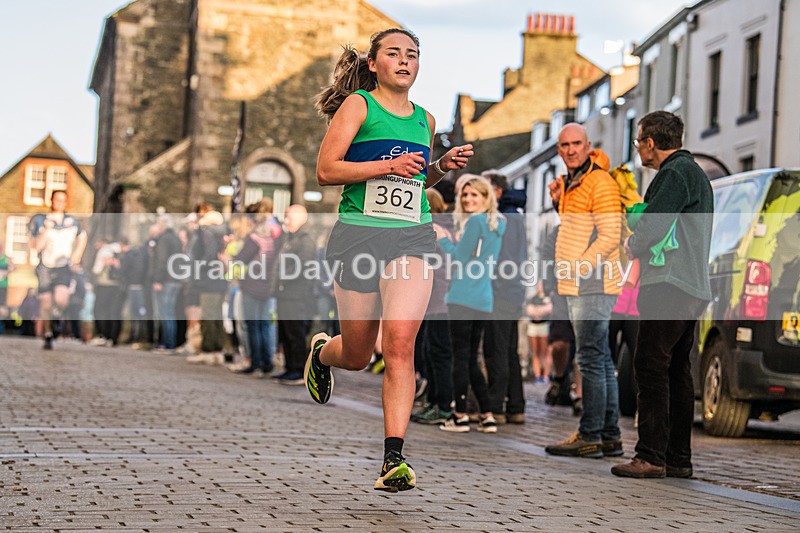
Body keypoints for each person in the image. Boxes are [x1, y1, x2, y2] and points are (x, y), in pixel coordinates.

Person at [307, 28, 473, 492]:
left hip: (412, 238)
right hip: (359, 237)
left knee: (400, 342)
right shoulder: (359, 106)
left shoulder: (426, 118)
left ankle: (393, 459)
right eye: (394, 54)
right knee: (358, 355)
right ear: (375, 63)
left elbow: (417, 186)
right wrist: (387, 165)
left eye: (412, 55)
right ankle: (323, 352)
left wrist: (442, 167)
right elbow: (326, 171)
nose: (404, 61)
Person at [612, 111, 713, 479]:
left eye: (639, 141)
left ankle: (651, 456)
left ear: (651, 143)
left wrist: (633, 242)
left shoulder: (673, 174)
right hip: (691, 284)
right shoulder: (694, 173)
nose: (638, 148)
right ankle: (678, 459)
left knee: (650, 366)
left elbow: (655, 225)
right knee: (676, 372)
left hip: (668, 282)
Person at [544, 123, 623, 459]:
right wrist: (561, 203)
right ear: (559, 150)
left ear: (588, 146)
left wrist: (579, 268)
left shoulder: (600, 181)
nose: (571, 150)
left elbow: (609, 235)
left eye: (577, 143)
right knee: (600, 357)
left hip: (593, 281)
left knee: (590, 358)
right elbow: (578, 229)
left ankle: (590, 434)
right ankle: (609, 435)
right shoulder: (573, 183)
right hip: (581, 281)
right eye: (565, 145)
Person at [436, 174, 505, 434]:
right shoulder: (498, 223)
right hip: (484, 298)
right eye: (465, 195)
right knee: (472, 359)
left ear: (486, 198)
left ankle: (460, 415)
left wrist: (442, 238)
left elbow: (459, 257)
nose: (467, 199)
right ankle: (487, 415)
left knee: (460, 357)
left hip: (462, 296)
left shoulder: (475, 222)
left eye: (474, 194)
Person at [482, 169, 527, 424]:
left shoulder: (506, 218)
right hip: (513, 291)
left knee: (496, 348)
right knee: (509, 349)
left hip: (501, 292)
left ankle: (497, 407)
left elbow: (505, 260)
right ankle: (515, 406)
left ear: (497, 191)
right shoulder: (514, 215)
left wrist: (493, 285)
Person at [28, 190, 88, 350]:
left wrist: (77, 255)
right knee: (45, 304)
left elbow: (83, 237)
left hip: (63, 266)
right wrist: (46, 230)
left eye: (63, 200)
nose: (59, 203)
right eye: (57, 199)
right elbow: (36, 247)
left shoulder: (72, 221)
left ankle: (55, 319)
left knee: (62, 300)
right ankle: (48, 335)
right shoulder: (39, 220)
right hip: (45, 267)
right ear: (52, 201)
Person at [272, 205, 316, 384]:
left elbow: (303, 265)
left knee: (295, 333)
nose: (286, 221)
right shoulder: (291, 238)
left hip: (296, 294)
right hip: (285, 293)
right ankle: (289, 367)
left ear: (300, 218)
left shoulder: (305, 240)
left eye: (289, 217)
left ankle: (298, 369)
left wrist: (284, 280)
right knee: (285, 332)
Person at [150, 217, 183, 353]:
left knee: (165, 313)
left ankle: (167, 344)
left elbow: (162, 260)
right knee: (170, 312)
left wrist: (158, 279)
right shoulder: (176, 239)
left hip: (166, 280)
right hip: (175, 279)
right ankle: (170, 343)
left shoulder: (164, 239)